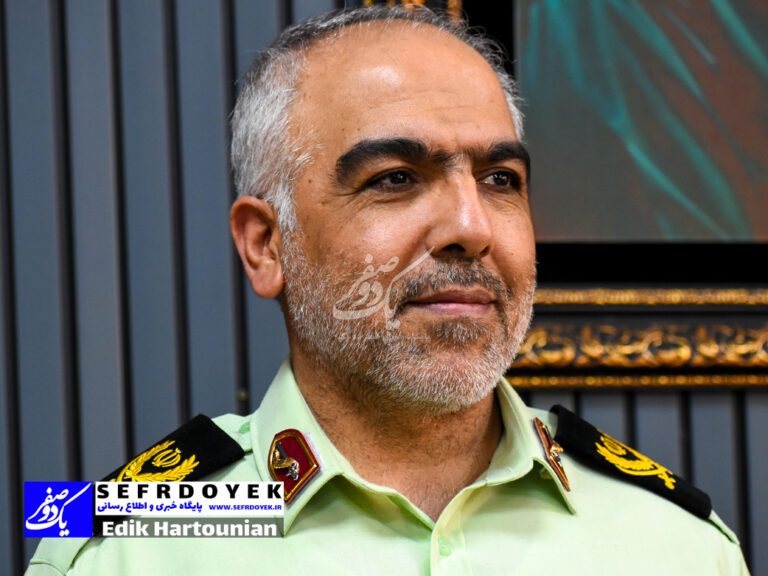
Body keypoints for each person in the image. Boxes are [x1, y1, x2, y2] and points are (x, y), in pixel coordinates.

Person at [27, 5, 749, 575]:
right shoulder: (119, 550)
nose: (472, 227)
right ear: (266, 245)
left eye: (501, 180)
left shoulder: (680, 545)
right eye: (395, 178)